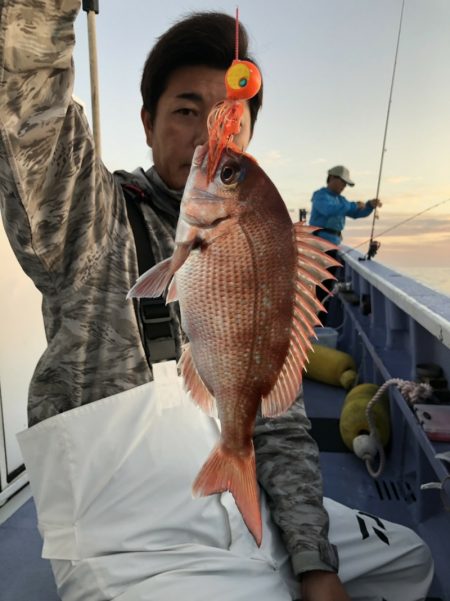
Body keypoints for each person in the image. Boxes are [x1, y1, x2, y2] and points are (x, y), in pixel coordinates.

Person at [0, 2, 432, 601]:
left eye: (230, 117)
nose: (209, 132)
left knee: (411, 560)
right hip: (134, 538)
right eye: (185, 110)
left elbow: (276, 423)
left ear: (249, 135)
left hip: (239, 499)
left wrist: (314, 560)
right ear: (147, 124)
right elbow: (31, 112)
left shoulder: (269, 239)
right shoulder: (91, 221)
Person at [309, 165, 382, 246]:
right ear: (332, 178)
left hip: (334, 243)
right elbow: (328, 210)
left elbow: (355, 213)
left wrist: (369, 206)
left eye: (345, 184)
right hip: (318, 243)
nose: (344, 186)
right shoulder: (320, 195)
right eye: (343, 182)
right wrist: (355, 205)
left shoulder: (341, 200)